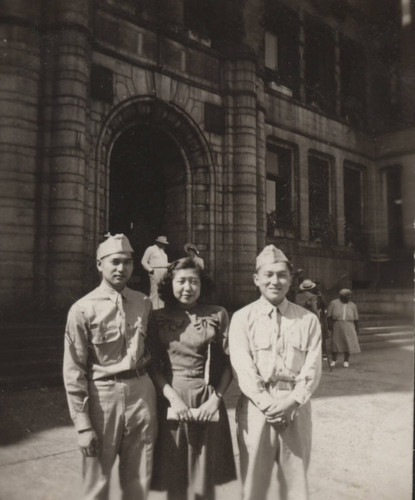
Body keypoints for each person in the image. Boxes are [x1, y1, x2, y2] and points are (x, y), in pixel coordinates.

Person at [63, 234, 157, 500]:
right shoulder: (82, 309)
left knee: (139, 479)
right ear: (98, 264)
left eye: (127, 262)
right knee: (96, 482)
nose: (122, 268)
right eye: (115, 262)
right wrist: (82, 425)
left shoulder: (143, 302)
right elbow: (74, 370)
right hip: (102, 397)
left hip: (141, 393)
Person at [229, 245, 322, 500]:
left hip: (296, 406)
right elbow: (242, 367)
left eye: (282, 275)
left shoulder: (308, 320)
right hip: (257, 408)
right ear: (256, 279)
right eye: (268, 275)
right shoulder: (241, 318)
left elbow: (313, 368)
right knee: (254, 487)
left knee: (295, 486)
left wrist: (291, 402)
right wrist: (268, 405)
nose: (275, 281)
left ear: (291, 280)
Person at [149, 257, 236, 500]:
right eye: (181, 281)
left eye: (194, 282)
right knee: (173, 474)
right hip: (171, 399)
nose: (187, 288)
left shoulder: (218, 314)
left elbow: (230, 364)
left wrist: (215, 400)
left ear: (202, 285)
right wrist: (173, 399)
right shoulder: (157, 317)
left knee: (205, 477)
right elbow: (153, 365)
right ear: (170, 284)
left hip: (207, 399)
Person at [327, 288, 360, 368]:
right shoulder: (334, 303)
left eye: (349, 296)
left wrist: (357, 327)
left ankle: (346, 360)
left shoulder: (352, 305)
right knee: (335, 343)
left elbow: (356, 318)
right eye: (346, 296)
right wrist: (330, 325)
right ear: (341, 296)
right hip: (337, 324)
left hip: (349, 325)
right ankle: (334, 360)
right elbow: (329, 316)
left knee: (348, 343)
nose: (348, 298)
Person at [141, 236, 170, 309]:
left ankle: (161, 309)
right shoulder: (150, 249)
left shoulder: (163, 251)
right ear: (158, 242)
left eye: (164, 244)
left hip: (164, 271)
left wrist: (171, 264)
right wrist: (150, 270)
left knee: (162, 290)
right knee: (154, 291)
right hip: (155, 271)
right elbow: (143, 261)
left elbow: (163, 263)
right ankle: (152, 309)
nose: (164, 245)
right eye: (162, 243)